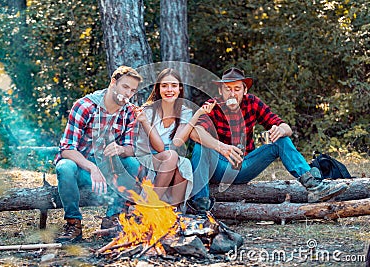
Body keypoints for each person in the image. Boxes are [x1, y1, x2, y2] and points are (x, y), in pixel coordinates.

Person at [189, 67, 348, 211]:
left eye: (237, 89)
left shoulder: (252, 102)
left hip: (246, 165)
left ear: (245, 90)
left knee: (282, 140)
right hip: (220, 167)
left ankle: (314, 186)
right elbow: (195, 132)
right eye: (228, 89)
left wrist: (280, 129)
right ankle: (201, 204)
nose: (232, 93)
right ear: (220, 90)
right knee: (200, 147)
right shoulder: (212, 105)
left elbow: (287, 128)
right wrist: (221, 147)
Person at [54, 66, 143, 242]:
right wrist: (92, 167)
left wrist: (121, 149)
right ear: (113, 82)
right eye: (125, 87)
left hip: (110, 169)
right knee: (64, 167)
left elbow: (131, 149)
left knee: (132, 163)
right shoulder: (85, 106)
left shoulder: (130, 111)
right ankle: (74, 223)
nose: (128, 94)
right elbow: (66, 149)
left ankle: (112, 218)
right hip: (82, 168)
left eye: (132, 90)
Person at [134, 68, 215, 211]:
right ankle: (150, 205)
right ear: (158, 89)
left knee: (183, 164)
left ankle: (173, 212)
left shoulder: (185, 112)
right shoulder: (148, 111)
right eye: (164, 86)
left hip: (168, 158)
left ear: (180, 89)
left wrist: (198, 114)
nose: (169, 89)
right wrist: (145, 122)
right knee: (172, 156)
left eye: (173, 85)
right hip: (146, 157)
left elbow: (177, 142)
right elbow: (159, 148)